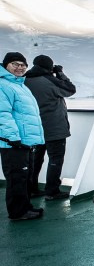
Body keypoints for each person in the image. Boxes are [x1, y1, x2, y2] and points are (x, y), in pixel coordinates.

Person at [24, 55, 76, 200]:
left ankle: (32, 189)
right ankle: (52, 191)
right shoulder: (50, 80)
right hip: (54, 128)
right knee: (55, 159)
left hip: (34, 128)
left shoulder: (25, 80)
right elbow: (70, 90)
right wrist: (60, 73)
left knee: (35, 159)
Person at [0, 52, 45, 220]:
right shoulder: (3, 85)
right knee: (16, 178)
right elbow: (2, 113)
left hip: (25, 141)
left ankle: (25, 207)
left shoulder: (20, 85)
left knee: (24, 176)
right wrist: (12, 138)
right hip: (13, 142)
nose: (20, 68)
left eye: (23, 65)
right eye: (15, 64)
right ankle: (18, 212)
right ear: (6, 66)